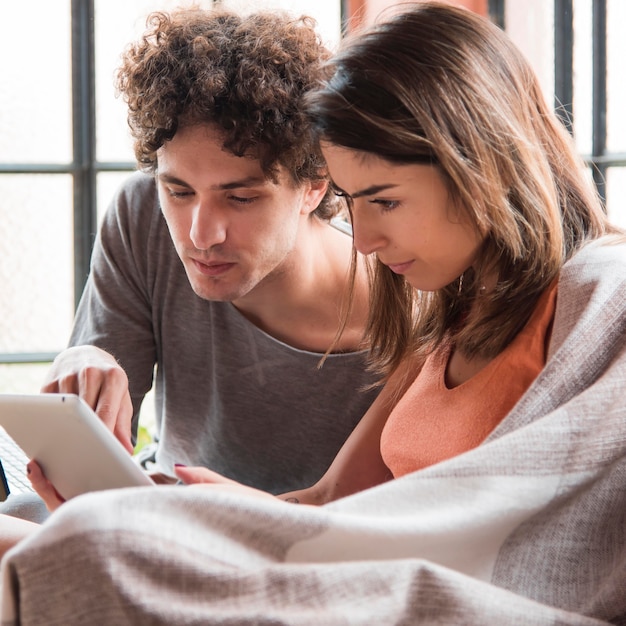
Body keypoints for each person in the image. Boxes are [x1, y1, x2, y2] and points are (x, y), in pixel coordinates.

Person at [2, 4, 625, 624]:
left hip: (371, 588)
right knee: (35, 526)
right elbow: (328, 504)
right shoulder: (455, 317)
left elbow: (511, 546)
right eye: (358, 203)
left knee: (57, 552)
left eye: (384, 200)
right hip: (319, 564)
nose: (363, 240)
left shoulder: (587, 297)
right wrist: (202, 513)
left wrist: (212, 529)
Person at [23, 7, 380, 501]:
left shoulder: (406, 297)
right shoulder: (142, 213)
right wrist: (84, 358)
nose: (200, 234)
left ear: (314, 188)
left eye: (240, 197)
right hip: (167, 512)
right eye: (179, 191)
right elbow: (93, 462)